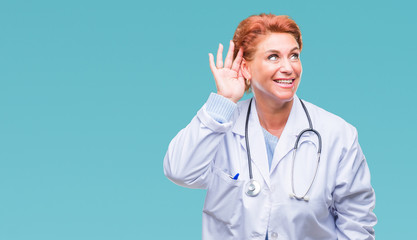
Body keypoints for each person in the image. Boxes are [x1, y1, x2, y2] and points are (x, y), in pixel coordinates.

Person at [163, 13, 377, 239]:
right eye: (273, 57)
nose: (288, 67)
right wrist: (223, 101)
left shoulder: (337, 134)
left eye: (294, 56)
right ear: (245, 68)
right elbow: (179, 172)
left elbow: (357, 224)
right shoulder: (221, 125)